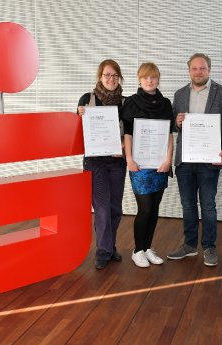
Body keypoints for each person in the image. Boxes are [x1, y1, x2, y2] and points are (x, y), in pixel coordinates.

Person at [166, 53, 222, 266]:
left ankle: (209, 247)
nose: (198, 72)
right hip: (185, 161)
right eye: (195, 69)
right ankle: (189, 246)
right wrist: (176, 123)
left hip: (209, 160)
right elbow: (173, 127)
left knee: (208, 205)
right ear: (189, 71)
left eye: (202, 68)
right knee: (187, 205)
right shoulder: (179, 95)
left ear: (209, 69)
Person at [122, 62, 174, 268]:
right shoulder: (132, 102)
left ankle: (148, 248)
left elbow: (169, 135)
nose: (149, 80)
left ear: (158, 79)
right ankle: (137, 250)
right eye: (145, 77)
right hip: (140, 165)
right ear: (139, 79)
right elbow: (128, 133)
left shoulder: (165, 103)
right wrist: (129, 159)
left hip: (160, 164)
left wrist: (168, 160)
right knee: (144, 208)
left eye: (152, 77)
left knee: (154, 208)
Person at [77, 59, 127, 270]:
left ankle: (110, 246)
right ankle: (103, 251)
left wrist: (125, 148)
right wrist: (77, 115)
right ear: (100, 77)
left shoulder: (125, 103)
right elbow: (78, 132)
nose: (111, 79)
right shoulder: (86, 100)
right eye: (107, 75)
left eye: (115, 75)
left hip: (117, 162)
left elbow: (130, 132)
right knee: (102, 209)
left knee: (115, 208)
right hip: (95, 163)